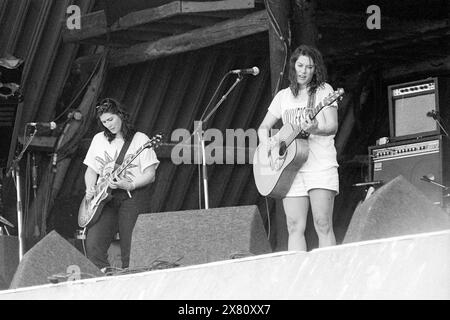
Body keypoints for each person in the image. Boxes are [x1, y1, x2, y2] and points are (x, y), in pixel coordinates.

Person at [257, 44, 339, 251]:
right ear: (293, 66)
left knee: (322, 223)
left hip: (319, 165)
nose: (303, 71)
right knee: (293, 226)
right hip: (289, 170)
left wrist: (316, 128)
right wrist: (270, 146)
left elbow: (332, 126)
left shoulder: (324, 91)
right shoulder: (283, 96)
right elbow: (263, 128)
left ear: (315, 70)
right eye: (300, 65)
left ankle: (331, 273)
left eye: (309, 67)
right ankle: (298, 275)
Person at [83, 98, 159, 270]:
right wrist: (90, 187)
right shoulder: (98, 139)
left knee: (131, 249)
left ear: (120, 115)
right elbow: (91, 170)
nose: (108, 125)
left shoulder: (140, 139)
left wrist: (130, 185)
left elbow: (150, 174)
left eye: (111, 119)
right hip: (105, 199)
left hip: (132, 197)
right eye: (104, 122)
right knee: (93, 244)